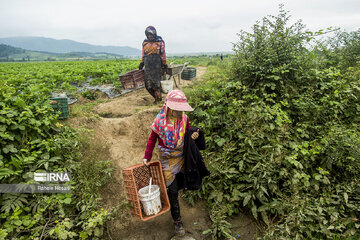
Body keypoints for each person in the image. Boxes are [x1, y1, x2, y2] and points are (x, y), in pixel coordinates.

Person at [143, 90, 199, 237]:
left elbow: (187, 134)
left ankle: (176, 202)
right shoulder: (159, 121)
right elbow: (152, 139)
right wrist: (147, 157)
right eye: (177, 110)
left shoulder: (184, 119)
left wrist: (192, 135)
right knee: (172, 191)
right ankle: (177, 221)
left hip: (181, 157)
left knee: (182, 183)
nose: (180, 113)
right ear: (169, 107)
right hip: (167, 159)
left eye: (182, 110)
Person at [138, 26, 168, 104]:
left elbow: (163, 54)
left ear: (154, 34)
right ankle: (156, 97)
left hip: (156, 65)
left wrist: (165, 65)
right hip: (148, 65)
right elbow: (143, 54)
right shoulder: (145, 43)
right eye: (148, 35)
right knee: (148, 84)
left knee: (156, 84)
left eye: (151, 35)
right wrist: (142, 63)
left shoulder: (159, 42)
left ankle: (157, 99)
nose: (150, 36)